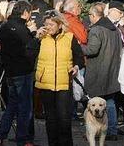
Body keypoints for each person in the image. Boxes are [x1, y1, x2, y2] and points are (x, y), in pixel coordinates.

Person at [34, 10, 84, 146]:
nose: (48, 27)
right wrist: (35, 38)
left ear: (60, 24)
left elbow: (79, 57)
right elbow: (28, 54)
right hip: (45, 84)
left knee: (64, 119)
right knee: (50, 120)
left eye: (51, 24)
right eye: (46, 24)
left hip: (64, 84)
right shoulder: (41, 38)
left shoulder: (70, 37)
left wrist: (76, 67)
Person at [0, 0, 40, 146]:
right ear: (25, 13)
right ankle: (23, 138)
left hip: (9, 71)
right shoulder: (22, 28)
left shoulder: (5, 26)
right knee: (25, 108)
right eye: (30, 14)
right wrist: (35, 36)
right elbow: (29, 51)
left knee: (12, 105)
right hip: (23, 71)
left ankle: (0, 135)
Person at [82, 3, 123, 141]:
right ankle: (111, 130)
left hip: (98, 73)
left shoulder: (97, 30)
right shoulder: (115, 29)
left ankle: (96, 131)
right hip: (112, 71)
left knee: (94, 103)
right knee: (109, 101)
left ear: (93, 16)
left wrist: (77, 46)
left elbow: (92, 50)